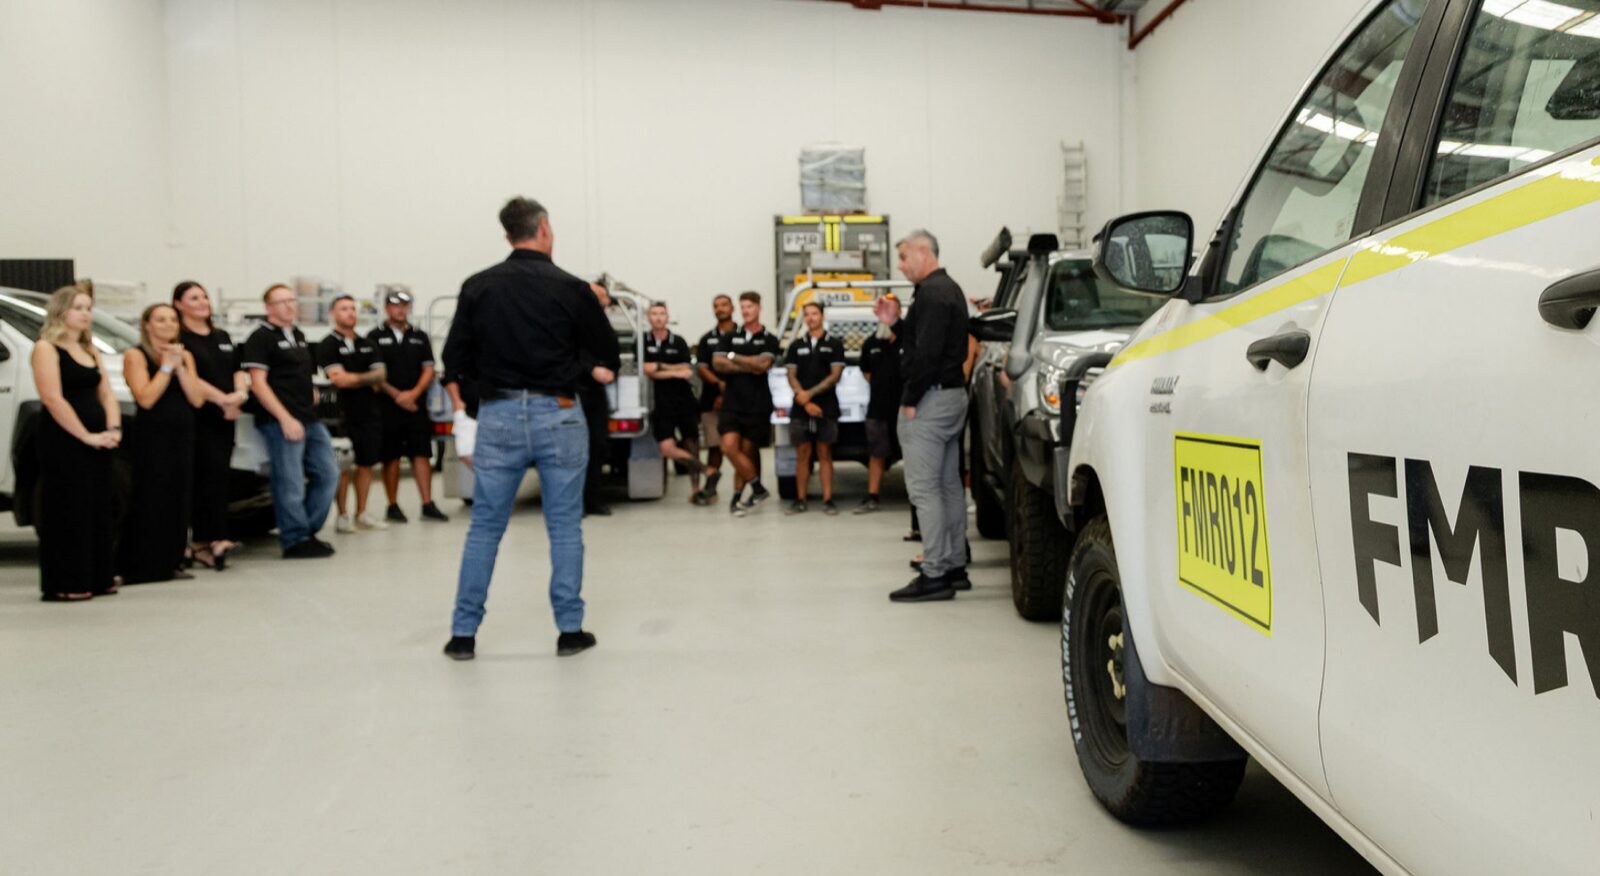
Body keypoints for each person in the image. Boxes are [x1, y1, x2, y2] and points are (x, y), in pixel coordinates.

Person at [439, 196, 619, 660]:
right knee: (564, 526)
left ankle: (463, 635)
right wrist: (575, 363)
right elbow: (606, 353)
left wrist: (476, 404)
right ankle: (570, 631)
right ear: (543, 229)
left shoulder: (478, 286)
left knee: (484, 528)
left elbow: (454, 359)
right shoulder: (572, 288)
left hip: (498, 414)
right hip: (558, 412)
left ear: (508, 235)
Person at [879, 229, 972, 602]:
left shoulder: (932, 294)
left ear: (923, 251)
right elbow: (927, 343)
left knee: (924, 490)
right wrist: (897, 324)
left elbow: (928, 355)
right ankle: (954, 565)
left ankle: (934, 573)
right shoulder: (947, 289)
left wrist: (911, 398)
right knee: (948, 485)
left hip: (930, 400)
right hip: (951, 396)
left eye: (903, 257)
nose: (900, 266)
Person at [32, 285, 120, 601]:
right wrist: (85, 435)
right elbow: (52, 398)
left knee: (98, 506)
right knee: (69, 508)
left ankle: (98, 576)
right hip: (64, 439)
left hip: (98, 439)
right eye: (78, 307)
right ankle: (67, 580)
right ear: (61, 311)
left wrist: (113, 428)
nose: (85, 314)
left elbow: (106, 393)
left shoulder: (90, 349)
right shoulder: (46, 348)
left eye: (88, 308)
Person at [241, 283, 340, 559]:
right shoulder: (260, 338)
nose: (289, 306)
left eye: (292, 300)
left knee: (328, 473)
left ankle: (307, 529)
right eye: (282, 302)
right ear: (268, 307)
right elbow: (258, 384)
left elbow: (298, 372)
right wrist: (284, 418)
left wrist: (311, 388)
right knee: (290, 480)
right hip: (280, 420)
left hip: (309, 416)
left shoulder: (297, 335)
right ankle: (294, 539)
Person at [117, 303, 207, 584]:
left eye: (172, 320)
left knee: (178, 496)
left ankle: (171, 560)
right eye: (161, 320)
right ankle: (141, 564)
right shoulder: (136, 355)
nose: (168, 324)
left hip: (182, 432)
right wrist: (166, 367)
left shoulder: (186, 355)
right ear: (147, 325)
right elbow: (146, 398)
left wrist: (180, 368)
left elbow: (197, 399)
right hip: (153, 434)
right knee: (151, 495)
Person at [175, 280, 248, 570]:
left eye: (204, 296)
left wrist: (239, 396)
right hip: (199, 415)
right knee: (202, 479)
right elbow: (193, 379)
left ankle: (212, 538)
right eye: (194, 298)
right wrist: (223, 400)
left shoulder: (222, 335)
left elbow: (237, 370)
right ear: (179, 304)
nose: (202, 302)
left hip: (226, 417)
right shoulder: (181, 339)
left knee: (219, 478)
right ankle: (203, 541)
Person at [371, 289, 446, 523]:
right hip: (388, 406)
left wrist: (413, 394)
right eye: (395, 305)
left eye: (404, 305)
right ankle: (392, 505)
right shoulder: (374, 337)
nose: (400, 310)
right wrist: (398, 396)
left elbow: (428, 369)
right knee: (391, 456)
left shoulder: (420, 336)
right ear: (387, 308)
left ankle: (427, 503)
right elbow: (374, 373)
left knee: (421, 453)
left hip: (416, 406)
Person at [316, 294, 388, 532]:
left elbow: (380, 376)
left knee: (367, 463)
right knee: (343, 465)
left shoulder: (368, 343)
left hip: (369, 413)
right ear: (333, 314)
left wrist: (355, 378)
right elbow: (339, 380)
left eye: (352, 309)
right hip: (341, 415)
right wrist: (366, 379)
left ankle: (362, 512)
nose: (350, 313)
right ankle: (343, 515)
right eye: (344, 309)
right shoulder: (327, 345)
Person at [712, 291, 779, 517]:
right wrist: (749, 363)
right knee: (729, 447)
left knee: (746, 452)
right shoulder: (731, 336)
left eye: (749, 307)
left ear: (758, 308)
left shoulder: (769, 338)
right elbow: (717, 363)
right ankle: (758, 488)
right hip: (732, 402)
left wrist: (733, 357)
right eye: (743, 307)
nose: (746, 311)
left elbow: (763, 365)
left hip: (757, 405)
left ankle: (737, 498)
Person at [782, 301, 845, 515]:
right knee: (802, 453)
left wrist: (810, 394)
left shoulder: (834, 344)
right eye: (807, 314)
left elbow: (835, 376)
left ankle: (828, 499)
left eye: (814, 314)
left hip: (826, 406)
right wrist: (804, 399)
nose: (810, 318)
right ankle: (800, 499)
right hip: (801, 407)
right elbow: (791, 375)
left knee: (825, 452)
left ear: (822, 316)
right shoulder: (795, 346)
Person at [642, 301, 705, 495]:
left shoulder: (678, 341)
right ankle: (708, 470)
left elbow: (686, 372)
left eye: (662, 313)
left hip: (684, 401)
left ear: (667, 317)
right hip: (660, 403)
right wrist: (673, 370)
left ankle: (696, 489)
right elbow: (646, 370)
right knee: (666, 448)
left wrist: (659, 368)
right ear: (648, 318)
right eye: (654, 314)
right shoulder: (643, 341)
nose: (658, 317)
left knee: (692, 444)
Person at [856, 292, 904, 515]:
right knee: (876, 453)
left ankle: (916, 496)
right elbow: (867, 373)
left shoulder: (908, 337)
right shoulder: (871, 343)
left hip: (906, 408)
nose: (886, 312)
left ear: (899, 312)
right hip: (878, 408)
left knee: (912, 453)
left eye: (891, 308)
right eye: (883, 308)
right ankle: (872, 496)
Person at [691, 294, 736, 505]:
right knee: (715, 445)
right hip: (711, 402)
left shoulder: (742, 335)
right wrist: (720, 386)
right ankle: (711, 488)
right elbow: (702, 369)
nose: (720, 309)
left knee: (743, 447)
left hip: (740, 400)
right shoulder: (706, 339)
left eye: (724, 304)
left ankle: (748, 489)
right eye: (716, 306)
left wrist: (729, 391)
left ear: (732, 308)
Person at [578, 281, 617, 516]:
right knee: (577, 449)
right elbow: (570, 352)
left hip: (597, 393)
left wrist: (612, 370)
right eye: (599, 295)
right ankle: (578, 502)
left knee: (597, 447)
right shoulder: (574, 321)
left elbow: (612, 352)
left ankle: (593, 500)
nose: (605, 300)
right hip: (577, 390)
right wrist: (591, 369)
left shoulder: (604, 323)